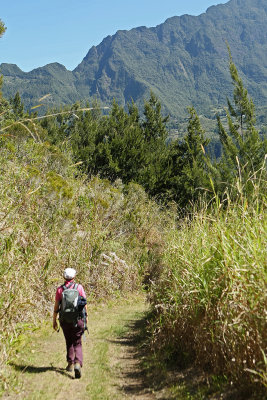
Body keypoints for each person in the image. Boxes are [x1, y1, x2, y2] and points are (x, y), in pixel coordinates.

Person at [53, 267, 88, 379]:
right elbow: (84, 304)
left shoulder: (60, 289)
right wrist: (86, 317)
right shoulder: (79, 288)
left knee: (69, 341)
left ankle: (70, 364)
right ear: (74, 277)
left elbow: (56, 307)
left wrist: (54, 320)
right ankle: (77, 363)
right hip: (77, 319)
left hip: (64, 320)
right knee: (77, 341)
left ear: (64, 277)